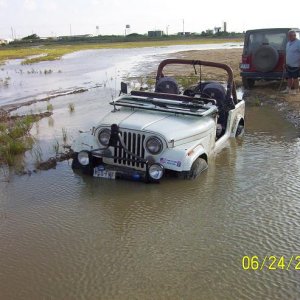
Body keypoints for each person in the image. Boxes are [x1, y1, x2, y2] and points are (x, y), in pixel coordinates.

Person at [282, 30, 300, 94]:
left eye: (290, 36)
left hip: (296, 65)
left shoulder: (298, 43)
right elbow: (287, 53)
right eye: (288, 36)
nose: (289, 37)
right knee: (289, 77)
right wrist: (284, 63)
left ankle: (296, 90)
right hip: (288, 64)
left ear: (294, 35)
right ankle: (288, 89)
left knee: (295, 78)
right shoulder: (288, 43)